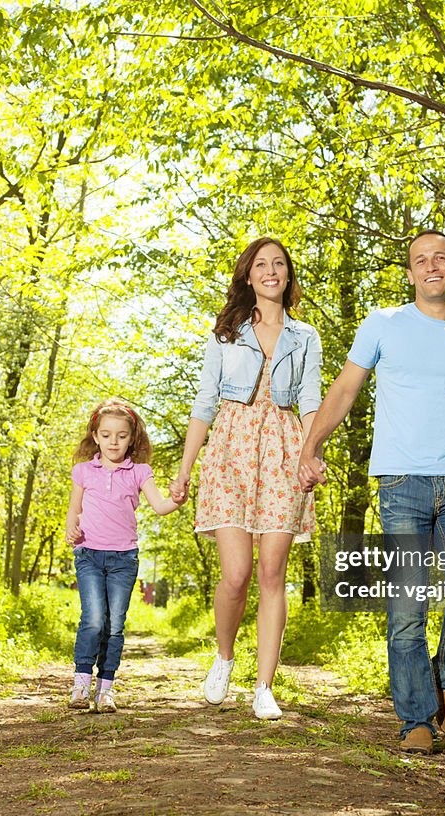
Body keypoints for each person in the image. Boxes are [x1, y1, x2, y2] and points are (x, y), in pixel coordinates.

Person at [298, 230, 445, 754]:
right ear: (410, 273)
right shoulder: (383, 324)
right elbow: (344, 389)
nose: (431, 266)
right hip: (401, 484)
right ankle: (415, 721)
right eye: (420, 260)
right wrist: (310, 446)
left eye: (440, 258)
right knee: (407, 607)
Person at [170, 237, 322, 720]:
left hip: (283, 447)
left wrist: (311, 453)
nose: (271, 271)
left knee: (273, 572)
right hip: (230, 448)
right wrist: (184, 468)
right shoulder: (226, 333)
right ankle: (225, 657)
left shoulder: (307, 337)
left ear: (287, 275)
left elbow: (314, 401)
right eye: (262, 265)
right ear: (249, 276)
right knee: (236, 575)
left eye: (279, 264)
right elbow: (204, 403)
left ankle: (264, 687)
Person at [65, 398, 184, 712]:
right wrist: (71, 532)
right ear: (95, 436)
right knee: (92, 620)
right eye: (106, 435)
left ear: (132, 439)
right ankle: (80, 686)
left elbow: (160, 506)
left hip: (123, 558)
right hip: (89, 554)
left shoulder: (140, 472)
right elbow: (73, 510)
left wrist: (178, 500)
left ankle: (105, 690)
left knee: (114, 625)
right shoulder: (83, 471)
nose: (113, 441)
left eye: (120, 435)